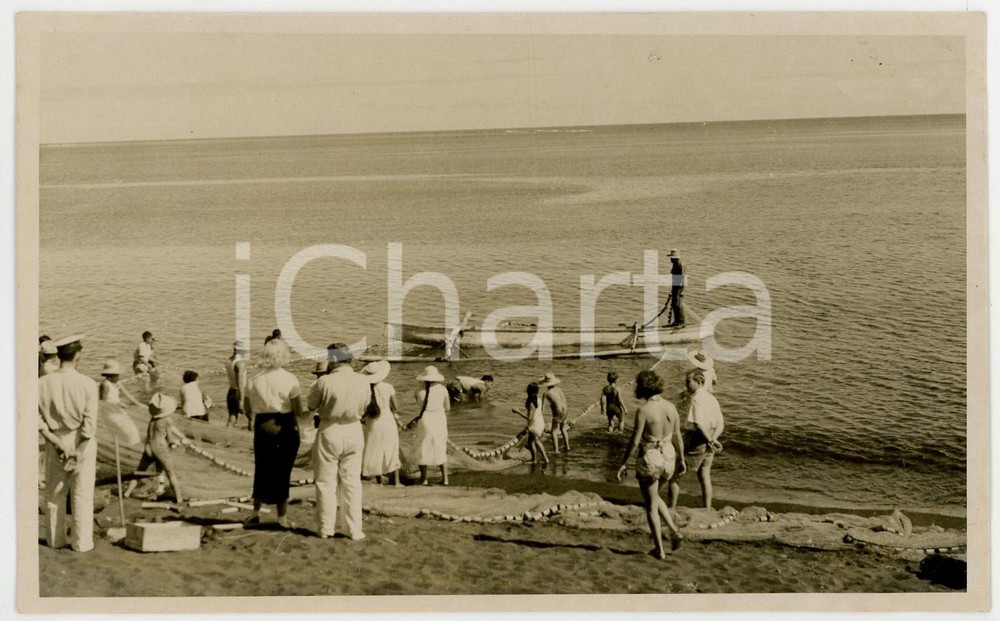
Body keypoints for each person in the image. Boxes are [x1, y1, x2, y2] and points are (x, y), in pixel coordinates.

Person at [37, 335, 98, 552]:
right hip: (81, 442)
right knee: (82, 494)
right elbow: (89, 426)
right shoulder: (87, 384)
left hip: (55, 441)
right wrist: (79, 451)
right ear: (78, 355)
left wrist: (57, 443)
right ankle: (82, 543)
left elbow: (39, 422)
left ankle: (55, 540)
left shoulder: (41, 384)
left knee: (54, 494)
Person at [615, 370, 685, 559]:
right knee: (654, 498)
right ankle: (674, 530)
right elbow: (678, 436)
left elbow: (635, 440)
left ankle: (659, 550)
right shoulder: (671, 407)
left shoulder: (644, 410)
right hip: (669, 456)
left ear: (642, 388)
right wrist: (682, 459)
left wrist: (623, 463)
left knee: (651, 506)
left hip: (651, 456)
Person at [307, 343, 370, 539]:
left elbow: (311, 405)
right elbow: (365, 406)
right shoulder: (363, 381)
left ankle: (326, 528)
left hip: (330, 428)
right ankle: (353, 529)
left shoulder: (324, 382)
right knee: (351, 482)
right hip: (353, 428)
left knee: (326, 482)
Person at [243, 338, 304, 529]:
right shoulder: (289, 379)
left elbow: (246, 407)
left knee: (262, 468)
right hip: (284, 424)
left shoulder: (253, 379)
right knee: (282, 470)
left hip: (262, 424)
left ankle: (255, 512)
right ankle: (282, 517)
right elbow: (299, 409)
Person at [669, 369, 725, 510]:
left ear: (699, 382)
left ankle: (671, 508)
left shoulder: (696, 399)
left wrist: (710, 441)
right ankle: (707, 509)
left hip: (697, 440)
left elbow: (698, 424)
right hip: (709, 438)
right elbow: (720, 423)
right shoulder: (712, 398)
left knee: (675, 475)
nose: (686, 385)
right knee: (704, 475)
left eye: (688, 382)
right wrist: (713, 439)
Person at [123, 393, 188, 503]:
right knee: (170, 473)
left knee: (139, 471)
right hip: (160, 448)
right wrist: (180, 442)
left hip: (149, 447)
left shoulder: (152, 420)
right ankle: (179, 498)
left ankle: (127, 492)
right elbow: (170, 439)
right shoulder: (167, 420)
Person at [405, 365, 450, 485]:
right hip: (439, 418)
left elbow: (419, 404)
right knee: (440, 446)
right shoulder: (443, 389)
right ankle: (445, 479)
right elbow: (448, 408)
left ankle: (424, 478)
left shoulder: (419, 389)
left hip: (425, 419)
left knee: (422, 447)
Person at [360, 360, 403, 486]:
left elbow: (362, 409)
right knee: (391, 449)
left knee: (374, 449)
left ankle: (379, 479)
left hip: (372, 422)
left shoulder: (365, 390)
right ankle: (397, 482)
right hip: (387, 420)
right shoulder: (388, 387)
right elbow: (396, 406)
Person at [512, 382, 548, 466]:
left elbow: (529, 418)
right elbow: (539, 412)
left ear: (528, 391)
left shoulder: (531, 403)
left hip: (534, 425)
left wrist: (518, 412)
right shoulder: (538, 399)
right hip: (540, 423)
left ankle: (534, 459)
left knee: (531, 442)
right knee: (537, 441)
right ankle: (545, 458)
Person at [539, 372, 570, 453]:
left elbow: (542, 409)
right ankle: (567, 446)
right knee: (563, 429)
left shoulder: (546, 394)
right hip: (565, 409)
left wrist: (541, 420)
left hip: (558, 412)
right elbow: (564, 400)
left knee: (553, 431)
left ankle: (556, 450)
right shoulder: (559, 389)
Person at [225, 340, 250, 429]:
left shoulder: (229, 360)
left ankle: (227, 438)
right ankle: (253, 441)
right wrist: (242, 399)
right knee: (251, 417)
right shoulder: (240, 363)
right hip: (239, 392)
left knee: (232, 416)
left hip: (231, 391)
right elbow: (240, 382)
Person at [667, 249, 686, 328]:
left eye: (671, 257)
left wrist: (681, 291)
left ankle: (681, 322)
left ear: (675, 258)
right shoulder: (675, 264)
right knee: (674, 304)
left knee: (678, 305)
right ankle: (676, 321)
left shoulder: (680, 265)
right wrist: (672, 290)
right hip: (675, 287)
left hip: (679, 288)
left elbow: (683, 278)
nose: (670, 259)